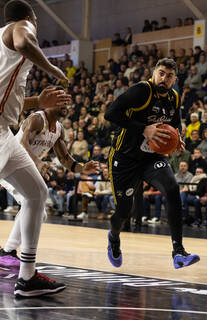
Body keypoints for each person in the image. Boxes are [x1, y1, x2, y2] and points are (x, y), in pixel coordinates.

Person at [0, 0, 74, 298]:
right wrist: (53, 67)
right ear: (30, 17)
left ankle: (27, 275)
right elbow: (24, 40)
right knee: (36, 195)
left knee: (37, 194)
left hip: (4, 130)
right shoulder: (22, 26)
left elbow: (10, 106)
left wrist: (37, 104)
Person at [104, 58, 200, 269]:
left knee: (172, 188)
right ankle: (113, 237)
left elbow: (175, 123)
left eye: (169, 75)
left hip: (151, 157)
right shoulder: (141, 90)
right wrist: (143, 129)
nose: (164, 79)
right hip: (125, 157)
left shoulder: (174, 97)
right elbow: (110, 113)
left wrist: (177, 138)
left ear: (175, 79)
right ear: (154, 73)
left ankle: (178, 252)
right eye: (161, 73)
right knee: (123, 212)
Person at [0, 97, 99, 262]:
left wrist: (82, 168)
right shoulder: (37, 119)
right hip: (9, 163)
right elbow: (23, 144)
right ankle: (8, 252)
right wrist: (38, 162)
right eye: (61, 100)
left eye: (67, 102)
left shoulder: (58, 129)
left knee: (39, 212)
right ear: (50, 102)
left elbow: (65, 158)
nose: (66, 105)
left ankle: (8, 251)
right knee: (32, 205)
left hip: (21, 168)